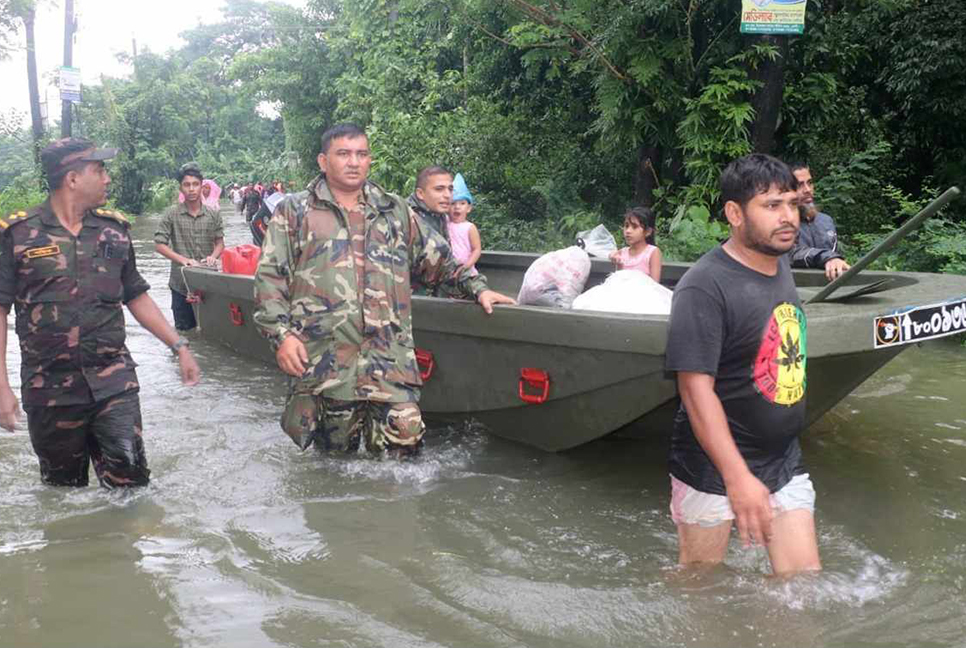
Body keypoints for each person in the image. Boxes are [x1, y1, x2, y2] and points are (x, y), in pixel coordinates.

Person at [253, 123, 515, 458]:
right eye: (343, 154)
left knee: (402, 464)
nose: (353, 162)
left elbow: (440, 261)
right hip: (326, 365)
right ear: (323, 161)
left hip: (390, 363)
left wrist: (478, 289)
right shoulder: (295, 212)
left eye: (361, 154)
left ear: (369, 160)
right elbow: (270, 278)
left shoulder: (394, 211)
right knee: (333, 468)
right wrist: (281, 335)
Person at [0, 138, 201, 488]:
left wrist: (179, 345)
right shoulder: (18, 235)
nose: (107, 178)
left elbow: (136, 296)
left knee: (132, 484)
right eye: (100, 170)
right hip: (49, 390)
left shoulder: (115, 231)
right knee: (63, 493)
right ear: (73, 178)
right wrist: (1, 388)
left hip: (114, 381)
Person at [665, 153, 820, 575]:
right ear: (734, 213)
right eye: (771, 206)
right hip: (714, 468)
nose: (788, 216)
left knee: (802, 590)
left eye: (791, 202)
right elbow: (694, 391)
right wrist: (736, 477)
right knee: (701, 588)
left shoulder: (780, 262)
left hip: (783, 458)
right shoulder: (704, 286)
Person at [154, 163, 225, 332]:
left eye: (195, 184)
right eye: (187, 185)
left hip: (208, 282)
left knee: (212, 332)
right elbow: (159, 245)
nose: (191, 189)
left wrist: (214, 256)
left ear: (202, 187)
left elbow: (220, 243)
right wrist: (184, 260)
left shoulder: (213, 214)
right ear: (181, 188)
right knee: (185, 333)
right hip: (180, 284)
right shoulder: (171, 214)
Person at [787, 162, 850, 282]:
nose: (807, 190)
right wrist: (828, 258)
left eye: (810, 183)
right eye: (799, 185)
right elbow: (791, 254)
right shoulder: (780, 223)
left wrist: (835, 261)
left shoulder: (826, 221)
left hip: (830, 291)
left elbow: (836, 261)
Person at [608, 206, 662, 283]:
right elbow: (612, 256)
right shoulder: (623, 252)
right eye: (626, 226)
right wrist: (612, 256)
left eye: (634, 227)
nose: (628, 231)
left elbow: (655, 283)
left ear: (648, 232)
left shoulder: (652, 252)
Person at [407, 166, 453, 243]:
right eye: (439, 189)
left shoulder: (439, 213)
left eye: (450, 189)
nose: (448, 195)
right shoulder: (404, 217)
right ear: (420, 194)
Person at [447, 173, 481, 276]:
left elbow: (477, 249)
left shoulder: (470, 227)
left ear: (469, 208)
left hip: (466, 272)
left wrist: (467, 266)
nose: (457, 207)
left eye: (462, 203)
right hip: (448, 271)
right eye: (453, 203)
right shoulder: (444, 224)